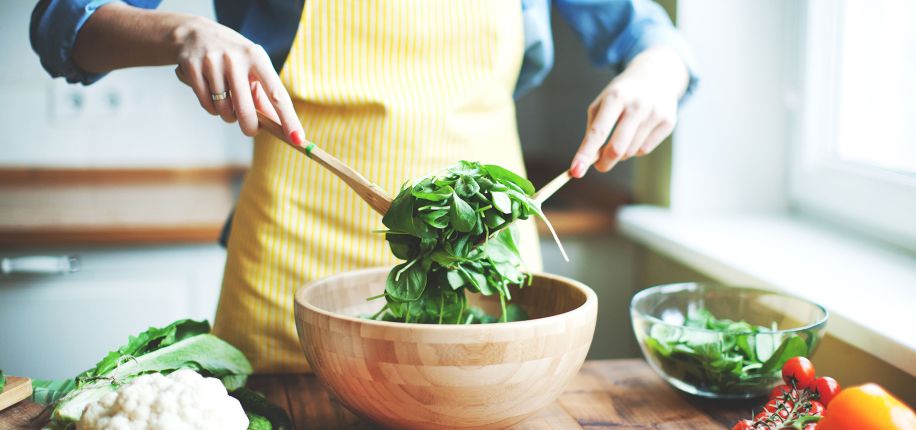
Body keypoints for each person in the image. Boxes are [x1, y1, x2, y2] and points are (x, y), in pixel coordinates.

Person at [31, 0, 697, 372]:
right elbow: (63, 22)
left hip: (485, 261)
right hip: (290, 266)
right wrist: (185, 32)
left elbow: (645, 33)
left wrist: (657, 71)